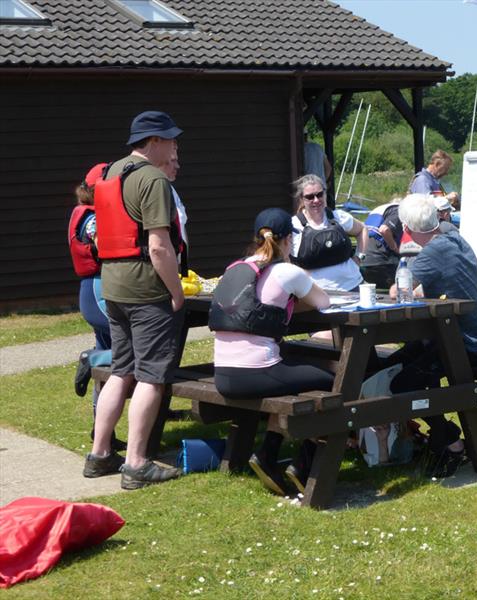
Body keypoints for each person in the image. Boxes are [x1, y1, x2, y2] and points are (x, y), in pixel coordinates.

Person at [83, 110, 186, 490]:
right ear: (154, 142)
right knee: (151, 376)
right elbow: (159, 246)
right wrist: (175, 292)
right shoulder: (153, 179)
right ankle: (137, 463)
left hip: (112, 287)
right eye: (171, 139)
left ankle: (99, 454)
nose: (176, 145)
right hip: (146, 290)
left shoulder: (110, 173)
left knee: (121, 370)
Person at [213, 208, 333, 496]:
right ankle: (304, 462)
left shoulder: (235, 268)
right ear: (288, 240)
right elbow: (324, 301)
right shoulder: (286, 271)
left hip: (223, 374)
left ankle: (269, 453)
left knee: (294, 371)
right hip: (256, 373)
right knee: (335, 382)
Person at [387, 193, 477, 478]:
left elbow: (398, 291)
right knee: (395, 363)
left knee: (402, 384)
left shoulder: (434, 251)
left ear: (407, 230)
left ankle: (450, 440)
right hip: (473, 339)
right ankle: (441, 438)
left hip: (464, 346)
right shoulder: (455, 239)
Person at [68, 163, 125, 451]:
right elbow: (104, 244)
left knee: (110, 366)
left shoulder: (87, 214)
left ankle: (102, 432)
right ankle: (89, 359)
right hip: (98, 289)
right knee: (132, 351)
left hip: (94, 289)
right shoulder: (91, 218)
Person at [290, 174, 368, 292]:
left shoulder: (338, 217)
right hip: (317, 293)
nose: (316, 200)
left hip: (354, 286)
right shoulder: (294, 226)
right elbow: (283, 257)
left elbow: (362, 229)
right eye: (310, 197)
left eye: (319, 194)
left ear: (325, 194)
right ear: (301, 199)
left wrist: (359, 258)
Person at [361, 198, 403, 289]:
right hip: (382, 260)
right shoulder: (398, 209)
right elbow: (384, 230)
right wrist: (394, 247)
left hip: (365, 260)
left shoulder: (377, 210)